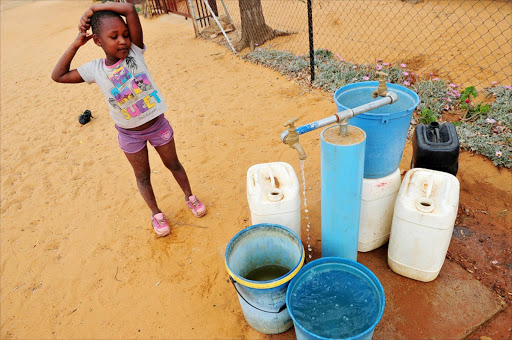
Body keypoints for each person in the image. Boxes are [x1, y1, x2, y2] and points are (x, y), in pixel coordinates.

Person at [51, 1, 206, 237]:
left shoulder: (135, 49)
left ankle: (190, 197)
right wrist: (76, 43)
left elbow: (130, 9)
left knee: (173, 164)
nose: (122, 40)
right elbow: (58, 75)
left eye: (124, 34)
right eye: (114, 36)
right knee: (142, 177)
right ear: (98, 41)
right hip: (129, 134)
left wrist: (93, 9)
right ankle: (157, 214)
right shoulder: (95, 69)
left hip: (157, 126)